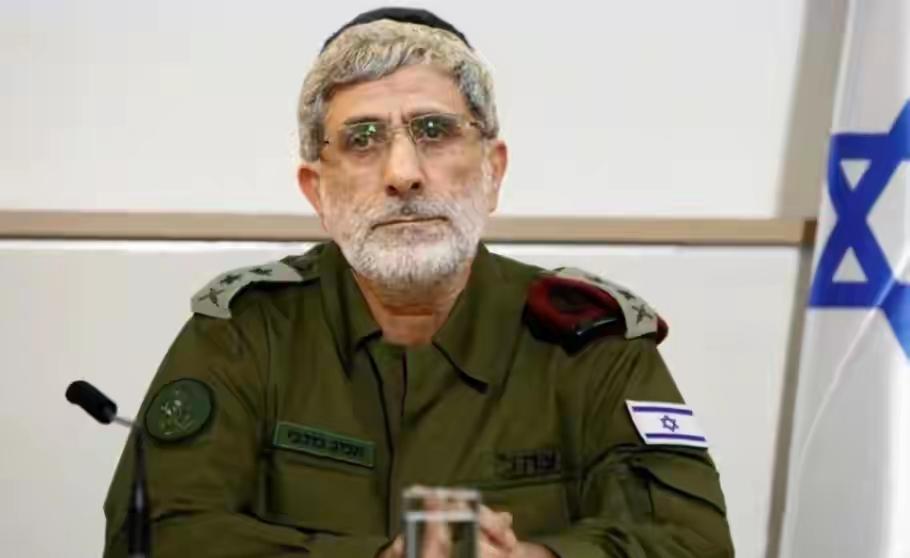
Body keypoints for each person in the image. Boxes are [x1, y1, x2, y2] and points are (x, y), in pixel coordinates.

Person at [103, 7, 734, 557]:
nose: (403, 173)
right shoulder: (247, 333)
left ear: (493, 171)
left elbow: (692, 542)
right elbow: (153, 536)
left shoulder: (591, 345)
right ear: (316, 191)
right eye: (362, 139)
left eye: (434, 130)